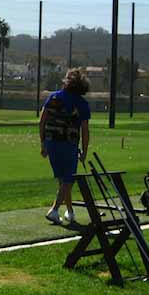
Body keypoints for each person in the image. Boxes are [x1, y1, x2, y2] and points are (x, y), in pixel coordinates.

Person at [39, 68, 91, 224]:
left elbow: (42, 122)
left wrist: (43, 143)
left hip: (51, 142)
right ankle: (54, 210)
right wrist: (85, 151)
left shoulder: (53, 97)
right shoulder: (81, 103)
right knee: (69, 179)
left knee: (63, 180)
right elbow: (85, 130)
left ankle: (70, 212)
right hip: (68, 144)